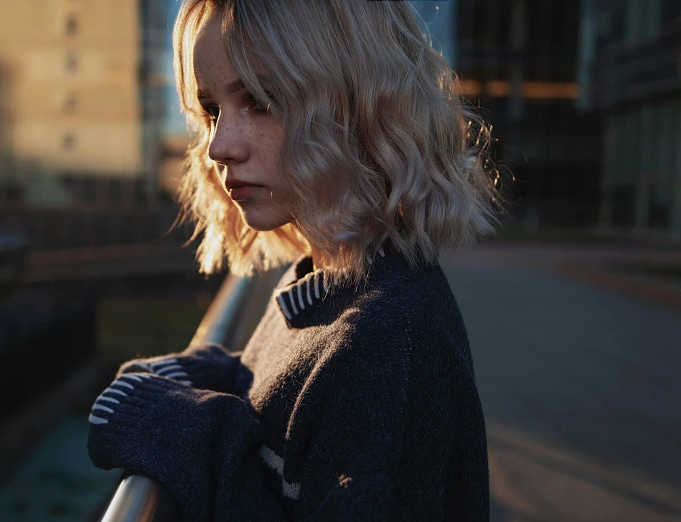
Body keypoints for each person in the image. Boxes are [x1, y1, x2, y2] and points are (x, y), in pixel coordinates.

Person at [87, 0, 500, 520]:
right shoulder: (328, 281)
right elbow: (285, 399)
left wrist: (183, 430)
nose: (219, 146)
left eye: (259, 101)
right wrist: (214, 374)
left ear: (359, 102)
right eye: (212, 110)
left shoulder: (391, 341)